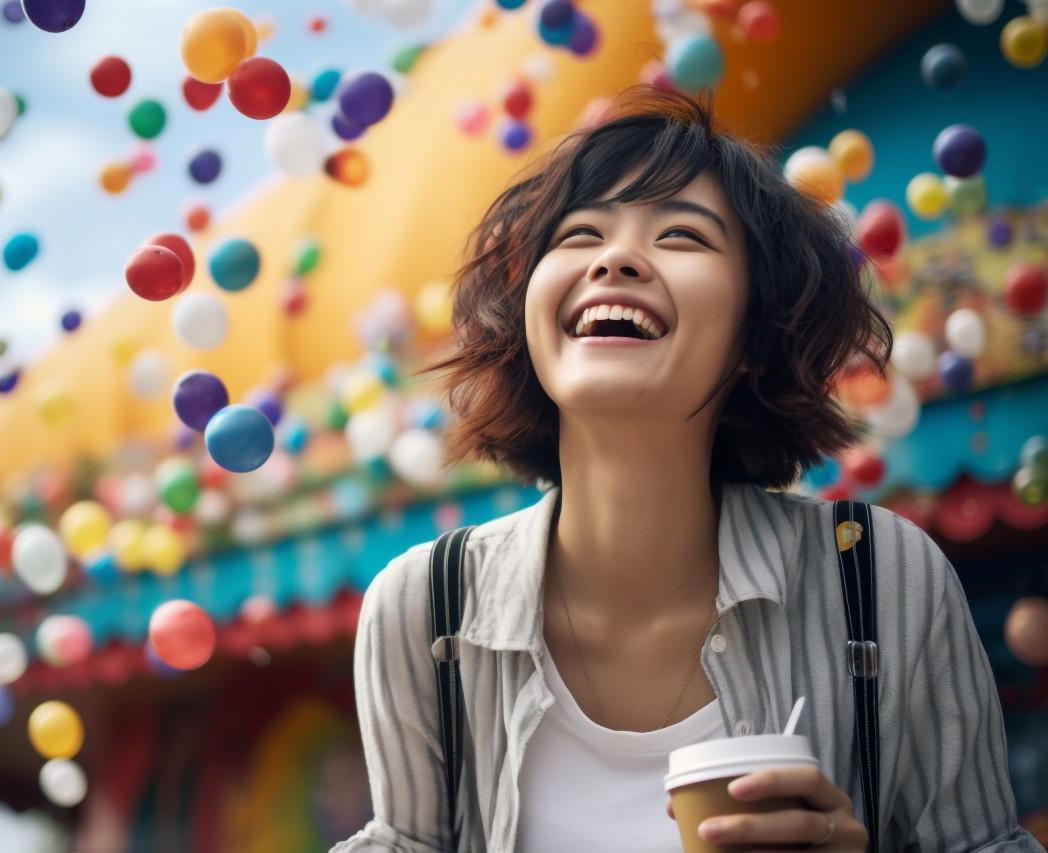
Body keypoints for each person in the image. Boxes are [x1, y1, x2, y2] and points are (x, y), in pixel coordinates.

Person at [332, 86, 1044, 852]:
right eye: (579, 234)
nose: (616, 258)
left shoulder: (880, 578)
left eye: (681, 235)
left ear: (753, 333)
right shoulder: (428, 607)